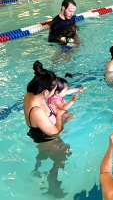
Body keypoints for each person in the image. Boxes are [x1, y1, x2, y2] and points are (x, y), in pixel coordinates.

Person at [24, 60, 71, 197]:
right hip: (48, 140)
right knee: (61, 159)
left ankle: (36, 169)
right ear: (45, 92)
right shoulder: (37, 110)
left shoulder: (29, 95)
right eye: (53, 90)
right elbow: (56, 131)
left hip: (38, 134)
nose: (55, 92)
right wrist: (59, 115)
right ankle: (53, 186)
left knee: (44, 153)